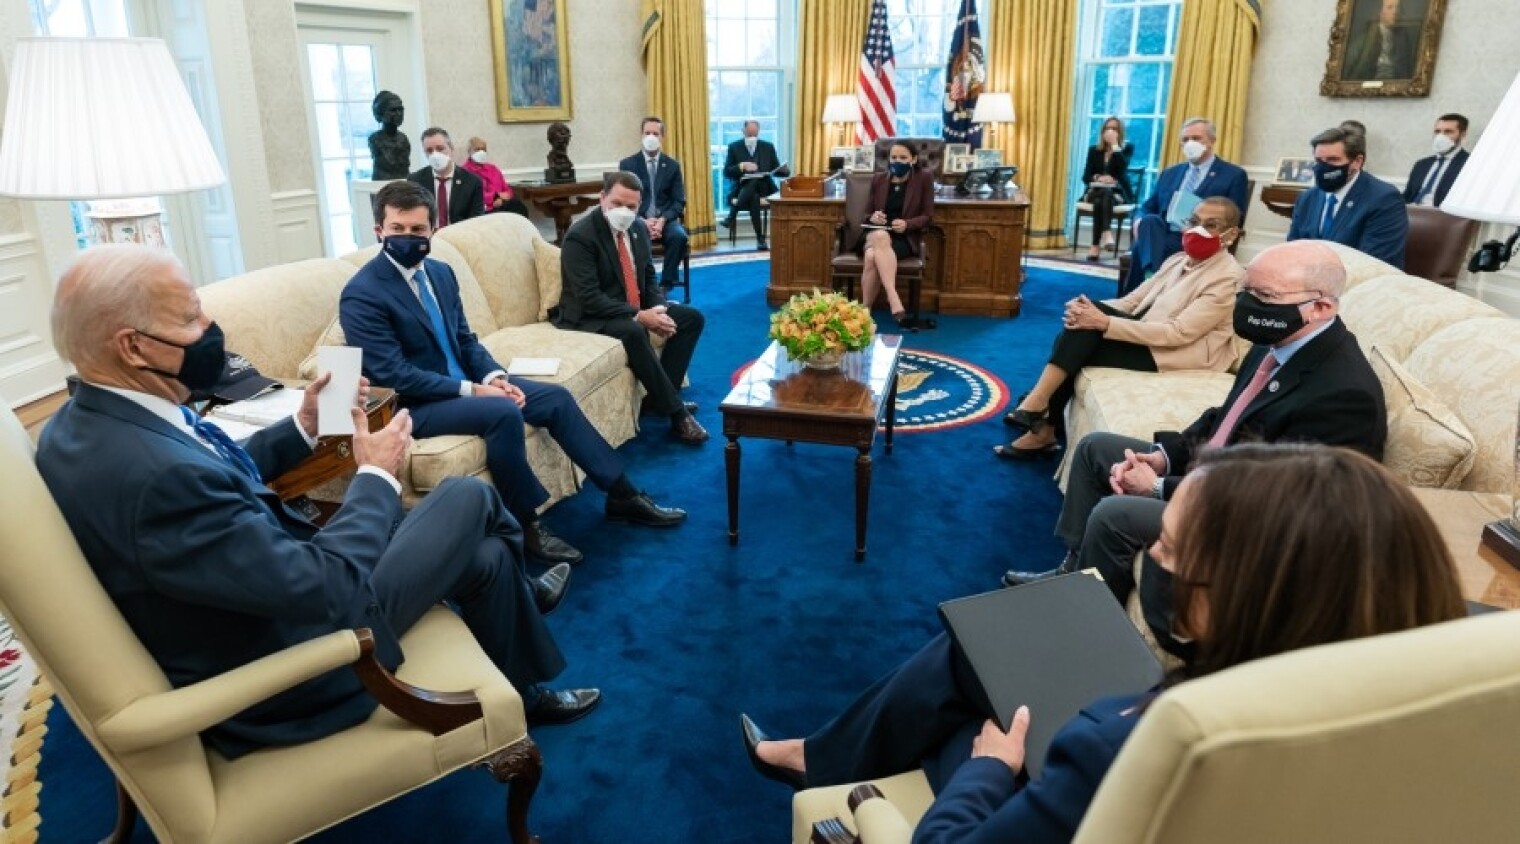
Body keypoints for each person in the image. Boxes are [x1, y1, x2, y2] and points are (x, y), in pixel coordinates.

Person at [36, 244, 603, 757]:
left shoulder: (85, 423)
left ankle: (524, 688)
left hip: (269, 597)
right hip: (302, 664)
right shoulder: (155, 477)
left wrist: (305, 425)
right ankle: (528, 601)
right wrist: (374, 475)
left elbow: (214, 473)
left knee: (484, 557)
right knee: (465, 497)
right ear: (132, 346)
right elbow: (327, 588)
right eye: (189, 318)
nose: (212, 329)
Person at [741, 443, 1465, 843]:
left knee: (977, 715)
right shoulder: (1451, 699)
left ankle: (829, 764)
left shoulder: (1126, 745)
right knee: (986, 649)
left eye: (1168, 550)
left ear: (1247, 595)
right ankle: (822, 753)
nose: (1151, 561)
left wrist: (989, 773)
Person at [1002, 240, 1386, 627]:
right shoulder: (1282, 341)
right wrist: (1164, 457)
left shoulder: (1344, 394)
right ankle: (1073, 570)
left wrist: (1158, 488)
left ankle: (1086, 624)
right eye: (1246, 291)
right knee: (1095, 449)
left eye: (1265, 296)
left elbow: (1284, 500)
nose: (1248, 304)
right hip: (1218, 474)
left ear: (1321, 307)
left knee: (1115, 515)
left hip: (1249, 518)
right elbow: (1226, 417)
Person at [340, 181, 687, 570]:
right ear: (379, 231)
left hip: (468, 385)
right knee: (503, 412)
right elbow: (395, 375)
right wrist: (475, 391)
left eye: (417, 230)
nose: (408, 238)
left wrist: (493, 377)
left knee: (554, 398)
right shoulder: (362, 293)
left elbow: (465, 340)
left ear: (433, 230)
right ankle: (526, 525)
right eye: (398, 229)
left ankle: (622, 494)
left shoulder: (440, 273)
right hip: (417, 405)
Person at [996, 197, 1245, 460]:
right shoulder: (1178, 260)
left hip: (1179, 353)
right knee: (1085, 320)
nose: (1198, 230)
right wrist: (1087, 308)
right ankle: (1041, 414)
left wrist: (1103, 322)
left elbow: (1178, 333)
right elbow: (1132, 302)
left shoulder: (1227, 276)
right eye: (1194, 222)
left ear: (1230, 235)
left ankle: (1040, 414)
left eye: (1211, 225)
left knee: (1084, 341)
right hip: (1150, 332)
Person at [556, 172, 709, 445]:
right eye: (617, 204)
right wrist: (639, 315)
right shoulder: (580, 236)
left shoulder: (637, 228)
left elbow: (648, 275)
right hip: (590, 314)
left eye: (631, 206)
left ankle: (661, 398)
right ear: (602, 198)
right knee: (634, 330)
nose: (623, 212)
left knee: (691, 318)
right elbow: (589, 297)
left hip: (629, 305)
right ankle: (677, 414)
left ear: (640, 206)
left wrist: (659, 308)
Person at [1119, 118, 1249, 296]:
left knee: (1141, 248)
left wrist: (1200, 227)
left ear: (1212, 140)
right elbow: (1148, 206)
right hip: (1163, 233)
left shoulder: (1233, 175)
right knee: (1149, 221)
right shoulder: (1170, 173)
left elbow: (1236, 217)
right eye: (1185, 139)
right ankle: (1152, 277)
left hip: (1197, 238)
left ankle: (1136, 294)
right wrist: (1138, 220)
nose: (1190, 143)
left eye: (1196, 138)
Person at [1287, 126, 1408, 269]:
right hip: (1307, 278)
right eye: (1319, 161)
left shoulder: (1384, 199)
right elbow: (1292, 251)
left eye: (1333, 160)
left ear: (1357, 162)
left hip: (1361, 279)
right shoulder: (1307, 198)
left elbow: (1374, 263)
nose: (1323, 167)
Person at [857, 141, 936, 325]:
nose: (897, 161)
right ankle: (893, 298)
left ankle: (865, 311)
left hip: (903, 238)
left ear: (913, 159)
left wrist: (907, 224)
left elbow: (928, 216)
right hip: (875, 233)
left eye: (903, 157)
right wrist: (874, 217)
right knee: (880, 235)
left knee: (871, 256)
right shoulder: (879, 179)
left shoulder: (924, 178)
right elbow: (867, 214)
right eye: (893, 157)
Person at [616, 116, 689, 293]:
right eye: (647, 133)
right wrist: (642, 221)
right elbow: (623, 200)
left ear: (662, 137)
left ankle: (665, 285)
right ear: (641, 135)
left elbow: (679, 201)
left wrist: (662, 220)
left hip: (665, 220)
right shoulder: (627, 164)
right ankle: (642, 287)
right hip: (637, 220)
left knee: (679, 237)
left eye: (655, 134)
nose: (651, 137)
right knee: (636, 239)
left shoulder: (672, 166)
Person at [720, 120, 790, 249]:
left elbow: (776, 170)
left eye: (754, 134)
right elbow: (727, 172)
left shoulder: (768, 147)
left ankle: (731, 216)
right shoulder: (734, 147)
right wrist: (742, 166)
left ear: (758, 132)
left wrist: (784, 171)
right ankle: (760, 239)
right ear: (743, 131)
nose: (752, 136)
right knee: (753, 196)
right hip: (742, 188)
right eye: (749, 134)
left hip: (764, 188)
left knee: (755, 180)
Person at [1079, 116, 1134, 261]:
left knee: (1102, 198)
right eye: (1107, 128)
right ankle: (1107, 232)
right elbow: (1085, 177)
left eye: (1114, 129)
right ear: (1103, 131)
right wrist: (1098, 177)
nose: (1110, 131)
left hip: (1116, 194)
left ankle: (1095, 246)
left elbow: (1122, 169)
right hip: (1094, 191)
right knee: (1103, 193)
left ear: (1120, 132)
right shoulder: (1093, 150)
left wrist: (1115, 145)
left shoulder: (1127, 149)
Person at [407, 127, 484, 229]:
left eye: (440, 149)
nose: (435, 155)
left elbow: (477, 221)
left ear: (451, 148)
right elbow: (411, 216)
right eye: (429, 150)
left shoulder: (472, 182)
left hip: (459, 235)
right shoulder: (415, 180)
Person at [1403, 113, 1470, 207]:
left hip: (1441, 214)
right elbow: (1407, 196)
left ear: (1462, 135)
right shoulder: (1421, 164)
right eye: (1437, 131)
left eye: (1448, 132)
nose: (1440, 137)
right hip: (1412, 211)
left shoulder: (1469, 165)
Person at [1344, 0, 1419, 81]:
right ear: (1380, 12)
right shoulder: (1365, 41)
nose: (1395, 12)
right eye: (1390, 7)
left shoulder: (1404, 38)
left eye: (1398, 8)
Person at [460, 136, 529, 217]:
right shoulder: (464, 172)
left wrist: (501, 199)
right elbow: (471, 197)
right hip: (481, 210)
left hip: (500, 205)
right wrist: (495, 196)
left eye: (483, 149)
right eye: (477, 149)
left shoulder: (493, 169)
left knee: (518, 206)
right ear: (469, 152)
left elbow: (507, 190)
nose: (481, 152)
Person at [367, 90, 411, 180]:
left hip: (403, 182)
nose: (398, 114)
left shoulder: (403, 139)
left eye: (400, 109)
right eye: (393, 110)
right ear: (380, 114)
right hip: (381, 182)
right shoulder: (375, 139)